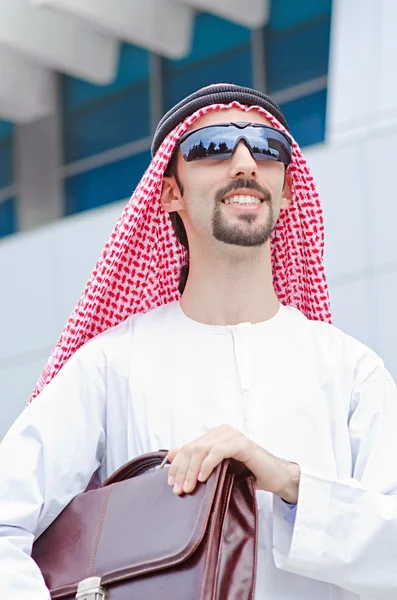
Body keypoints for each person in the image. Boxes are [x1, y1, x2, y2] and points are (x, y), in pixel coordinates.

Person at [1, 83, 397, 600]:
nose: (244, 162)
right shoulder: (111, 365)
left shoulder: (349, 370)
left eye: (266, 147)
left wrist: (290, 483)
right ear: (170, 191)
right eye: (211, 146)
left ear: (288, 187)